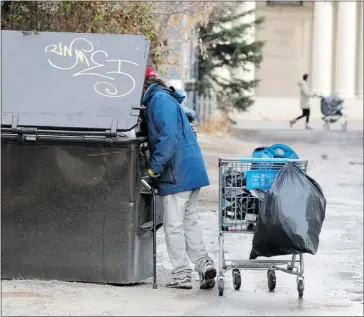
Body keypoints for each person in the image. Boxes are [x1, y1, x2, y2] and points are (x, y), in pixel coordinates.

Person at [142, 66, 217, 290]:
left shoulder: (158, 100)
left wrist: (154, 169)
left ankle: (182, 274)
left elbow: (168, 138)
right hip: (190, 170)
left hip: (177, 173)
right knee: (189, 221)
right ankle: (204, 265)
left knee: (174, 225)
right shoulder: (166, 98)